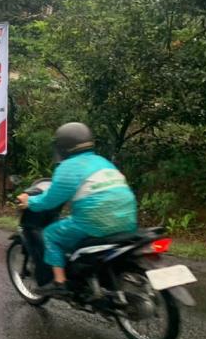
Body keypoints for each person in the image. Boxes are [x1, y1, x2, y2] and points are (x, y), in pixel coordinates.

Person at [17, 122, 138, 297]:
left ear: (63, 146)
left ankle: (59, 283)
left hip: (95, 222)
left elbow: (51, 200)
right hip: (127, 219)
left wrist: (30, 202)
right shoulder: (102, 161)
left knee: (51, 234)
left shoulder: (68, 167)